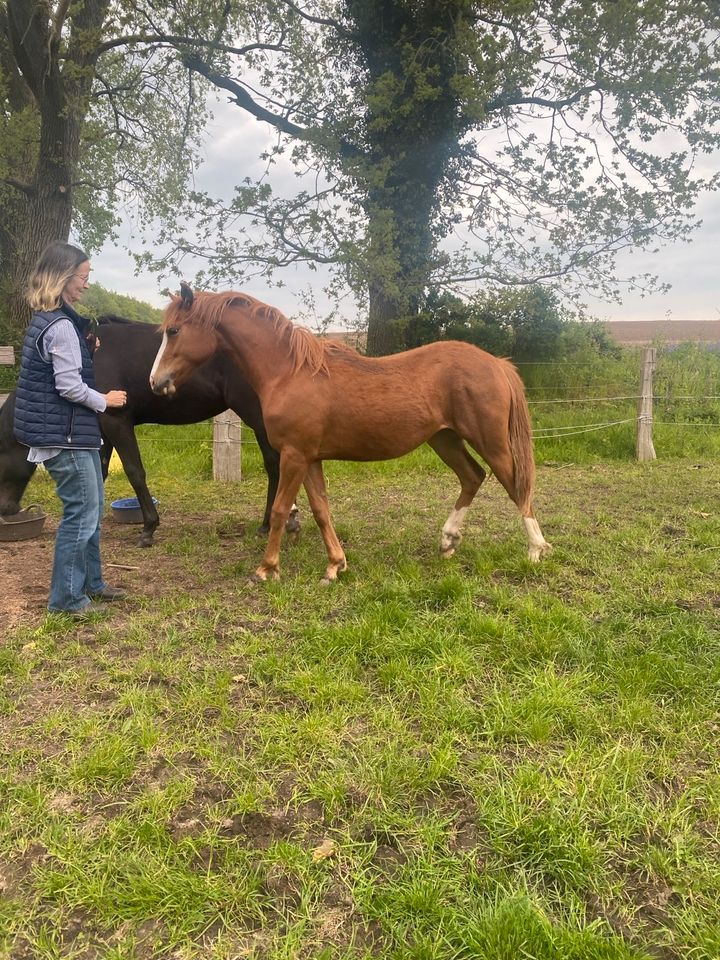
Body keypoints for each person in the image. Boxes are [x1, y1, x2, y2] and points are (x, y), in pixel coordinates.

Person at [13, 241, 128, 619]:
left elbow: (56, 375)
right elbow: (68, 387)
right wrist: (105, 400)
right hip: (65, 435)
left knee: (91, 511)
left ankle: (92, 583)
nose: (87, 284)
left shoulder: (50, 320)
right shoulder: (60, 326)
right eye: (84, 277)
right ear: (64, 277)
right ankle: (65, 600)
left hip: (69, 432)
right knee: (81, 513)